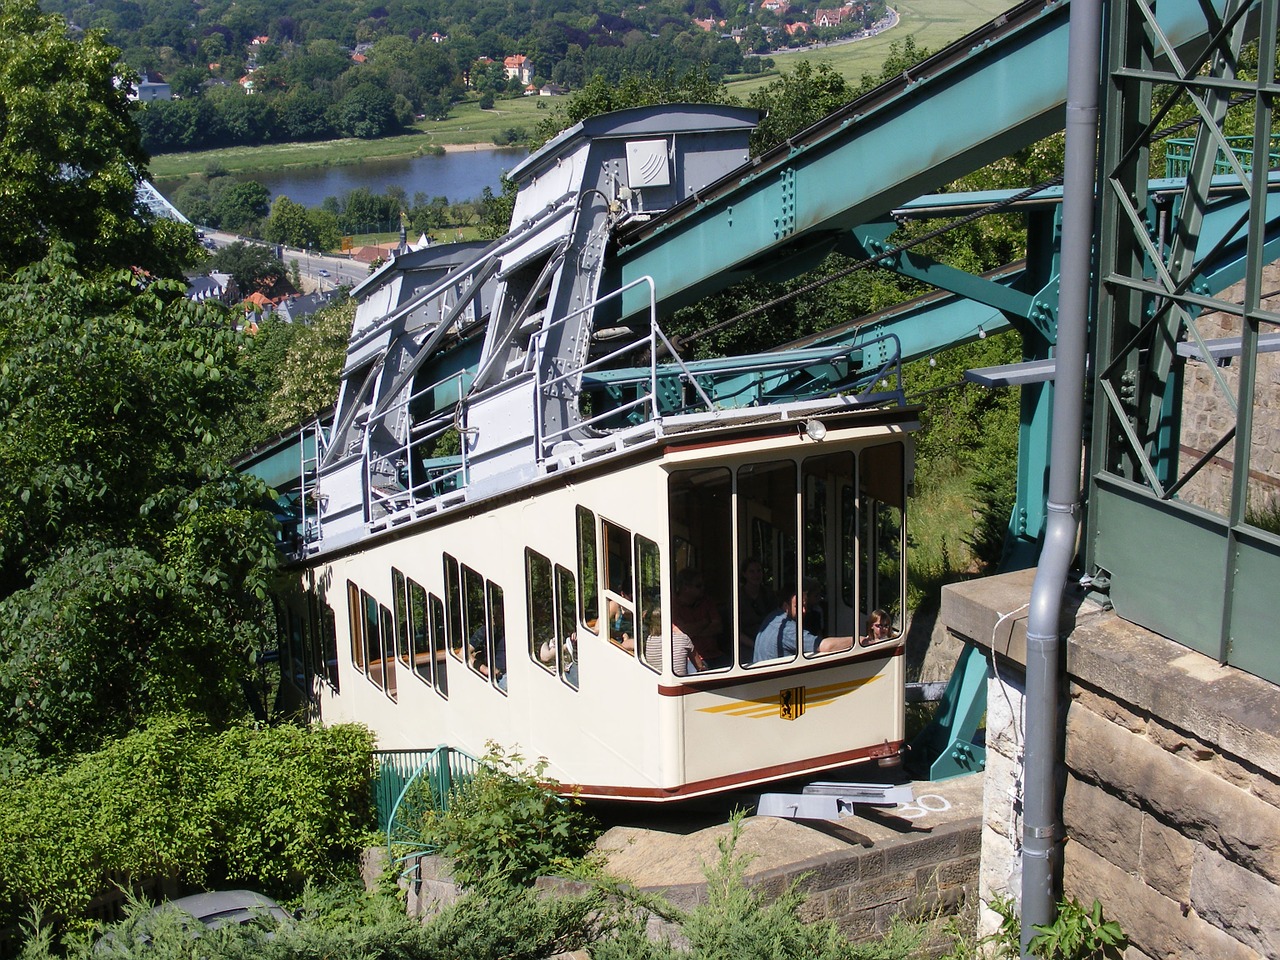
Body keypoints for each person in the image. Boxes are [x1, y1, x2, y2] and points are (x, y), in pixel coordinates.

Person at [752, 583, 853, 662]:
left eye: (805, 605)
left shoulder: (771, 618)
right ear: (786, 606)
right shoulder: (787, 629)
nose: (804, 611)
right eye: (798, 606)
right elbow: (824, 646)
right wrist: (858, 641)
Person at [671, 567, 726, 668]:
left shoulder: (707, 601)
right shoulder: (673, 605)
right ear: (685, 588)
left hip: (715, 655)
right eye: (698, 586)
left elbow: (718, 627)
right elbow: (682, 634)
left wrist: (692, 631)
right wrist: (705, 622)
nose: (703, 588)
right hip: (689, 658)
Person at [736, 557, 773, 660]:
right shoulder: (737, 597)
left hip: (769, 643)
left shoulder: (769, 594)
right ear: (744, 574)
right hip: (746, 646)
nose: (756, 575)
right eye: (751, 571)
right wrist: (756, 646)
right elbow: (735, 632)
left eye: (759, 571)